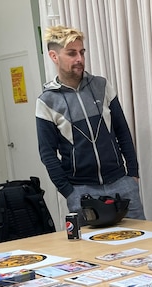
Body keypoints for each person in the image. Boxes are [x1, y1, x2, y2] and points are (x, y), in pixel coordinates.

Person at [36, 25, 144, 220]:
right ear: (54, 56)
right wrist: (68, 191)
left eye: (82, 52)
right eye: (71, 53)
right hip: (82, 192)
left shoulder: (101, 86)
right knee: (91, 250)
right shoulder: (47, 101)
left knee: (142, 244)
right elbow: (47, 153)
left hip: (122, 184)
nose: (79, 59)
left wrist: (133, 174)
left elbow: (123, 132)